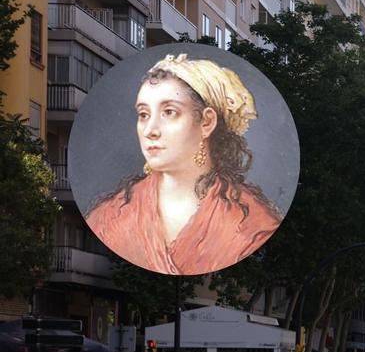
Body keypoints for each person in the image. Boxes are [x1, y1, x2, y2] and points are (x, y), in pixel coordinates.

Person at [85, 54, 282, 275]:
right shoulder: (109, 216)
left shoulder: (254, 224)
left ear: (207, 122)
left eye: (169, 112)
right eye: (144, 114)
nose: (150, 130)